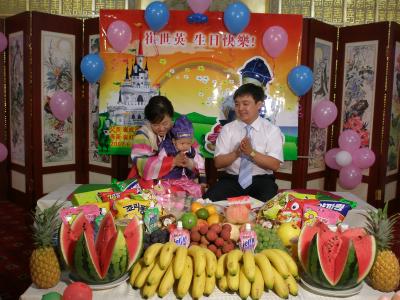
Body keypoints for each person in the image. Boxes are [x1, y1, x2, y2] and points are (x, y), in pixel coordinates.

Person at [204, 83, 284, 202]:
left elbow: (274, 165)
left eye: (245, 104)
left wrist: (251, 152)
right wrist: (236, 153)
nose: (240, 108)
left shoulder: (272, 130)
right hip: (231, 180)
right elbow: (218, 163)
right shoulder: (227, 129)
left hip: (262, 180)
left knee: (270, 207)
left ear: (259, 104)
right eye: (237, 104)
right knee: (208, 201)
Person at [127, 96, 188, 188]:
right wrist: (173, 161)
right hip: (146, 186)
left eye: (165, 123)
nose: (161, 128)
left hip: (174, 183)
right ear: (149, 121)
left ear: (171, 118)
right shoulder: (142, 136)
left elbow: (195, 153)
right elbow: (143, 166)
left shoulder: (180, 130)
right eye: (155, 124)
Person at [158, 115, 206, 198]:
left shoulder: (191, 151)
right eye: (182, 143)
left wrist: (203, 181)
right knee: (164, 192)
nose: (185, 146)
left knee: (196, 189)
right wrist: (172, 163)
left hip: (186, 180)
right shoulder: (167, 149)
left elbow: (200, 164)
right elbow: (159, 164)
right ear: (174, 141)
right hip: (169, 180)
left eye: (188, 143)